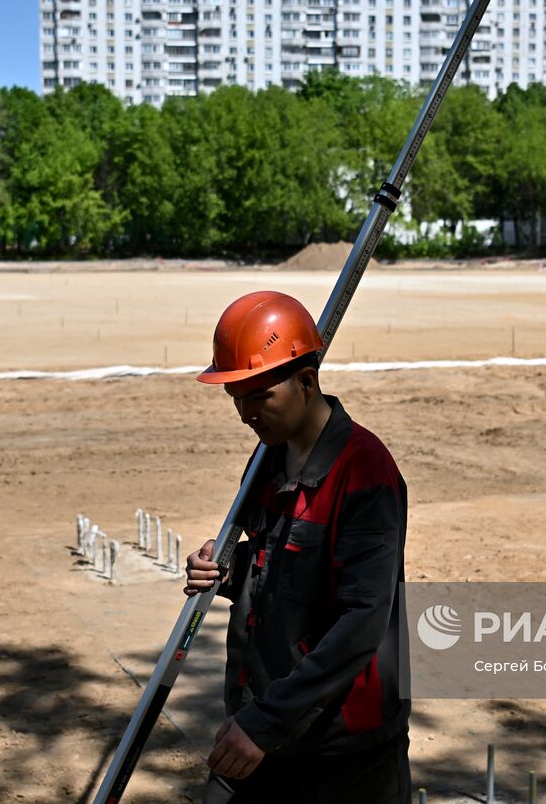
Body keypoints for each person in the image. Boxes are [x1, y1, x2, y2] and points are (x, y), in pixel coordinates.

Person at [185, 290, 411, 804]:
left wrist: (266, 723)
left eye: (259, 395)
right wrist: (224, 569)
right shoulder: (268, 458)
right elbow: (282, 574)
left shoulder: (365, 473)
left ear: (307, 383)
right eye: (235, 397)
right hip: (266, 720)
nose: (245, 414)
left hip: (342, 752)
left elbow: (361, 622)